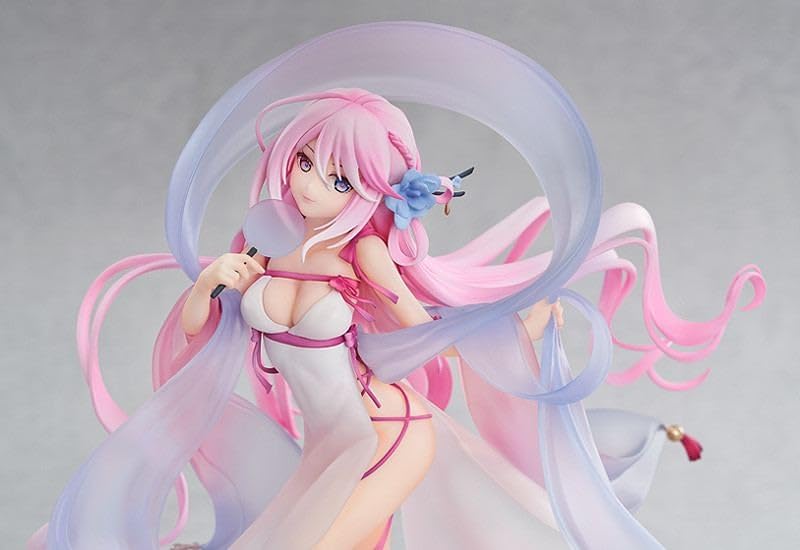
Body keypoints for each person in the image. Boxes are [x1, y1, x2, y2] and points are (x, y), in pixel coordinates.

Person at [27, 23, 766, 550]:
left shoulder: (368, 257)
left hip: (385, 433)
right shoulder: (263, 240)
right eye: (306, 161)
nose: (310, 183)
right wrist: (213, 283)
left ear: (370, 188)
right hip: (325, 443)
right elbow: (199, 333)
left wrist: (517, 329)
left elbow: (428, 335)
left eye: (338, 177)